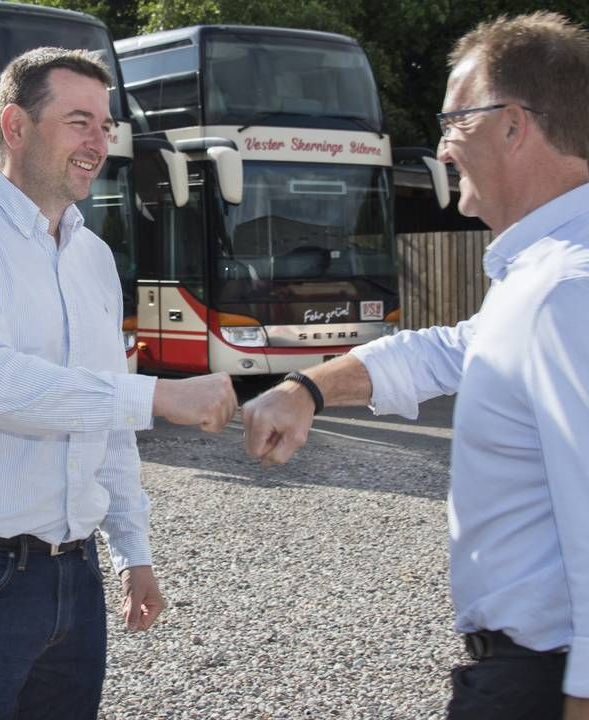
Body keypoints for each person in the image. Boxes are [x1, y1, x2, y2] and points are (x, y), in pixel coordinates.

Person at [241, 12, 589, 720]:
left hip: (545, 687)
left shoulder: (567, 290)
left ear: (514, 125)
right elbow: (451, 349)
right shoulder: (542, 276)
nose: (442, 145)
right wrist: (307, 386)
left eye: (456, 119)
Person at [0, 47, 237, 720]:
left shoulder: (94, 257)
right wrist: (160, 396)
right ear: (15, 127)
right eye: (80, 122)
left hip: (74, 576)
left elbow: (100, 411)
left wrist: (134, 551)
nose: (100, 142)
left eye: (105, 126)